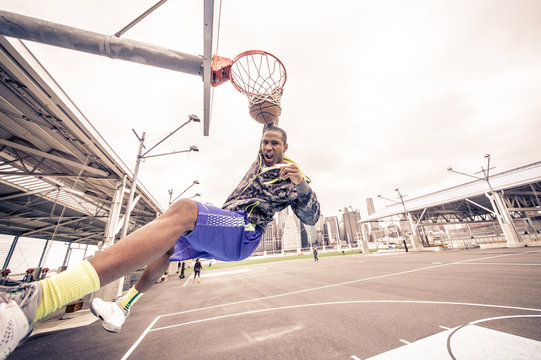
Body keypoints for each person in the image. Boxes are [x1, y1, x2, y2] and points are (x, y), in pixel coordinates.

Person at [0, 124, 320, 356]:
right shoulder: (257, 162)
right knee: (165, 243)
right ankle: (122, 307)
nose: (268, 147)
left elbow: (311, 217)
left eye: (275, 144)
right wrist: (269, 110)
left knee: (182, 210)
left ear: (285, 148)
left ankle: (40, 300)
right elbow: (268, 119)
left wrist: (303, 185)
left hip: (244, 232)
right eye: (265, 142)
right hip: (225, 227)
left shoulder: (291, 178)